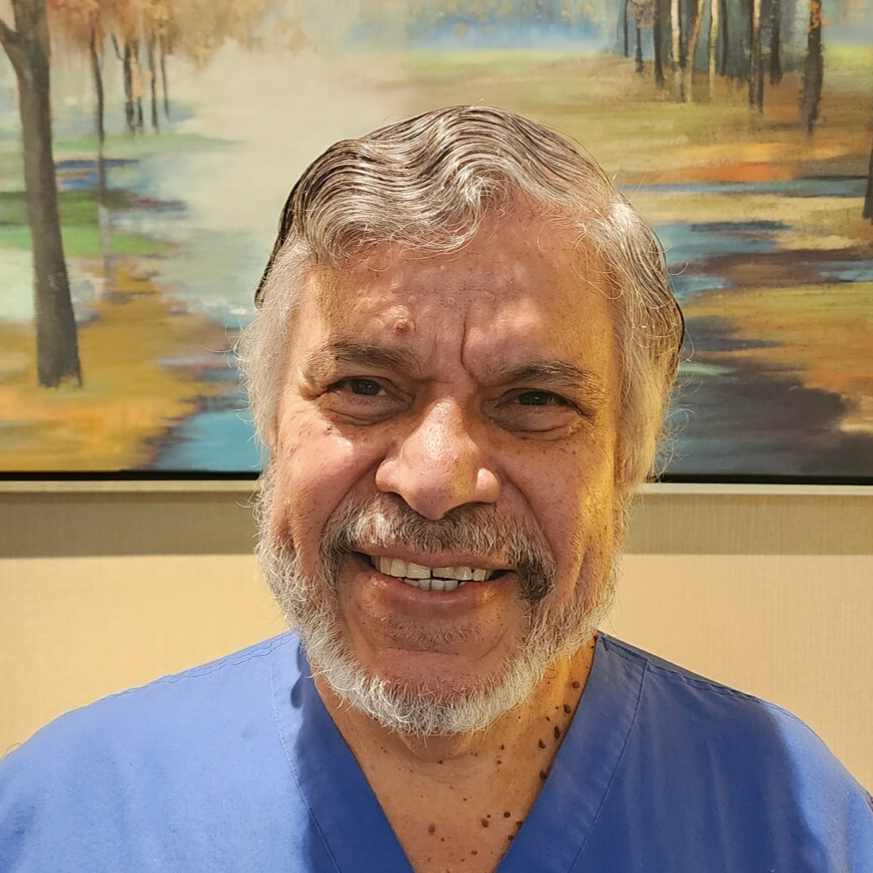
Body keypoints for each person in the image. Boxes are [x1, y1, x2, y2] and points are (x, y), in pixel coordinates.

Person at [1, 106, 871, 873]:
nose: (434, 480)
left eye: (534, 400)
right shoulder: (62, 814)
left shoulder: (793, 816)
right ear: (271, 423)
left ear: (629, 455)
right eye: (364, 386)